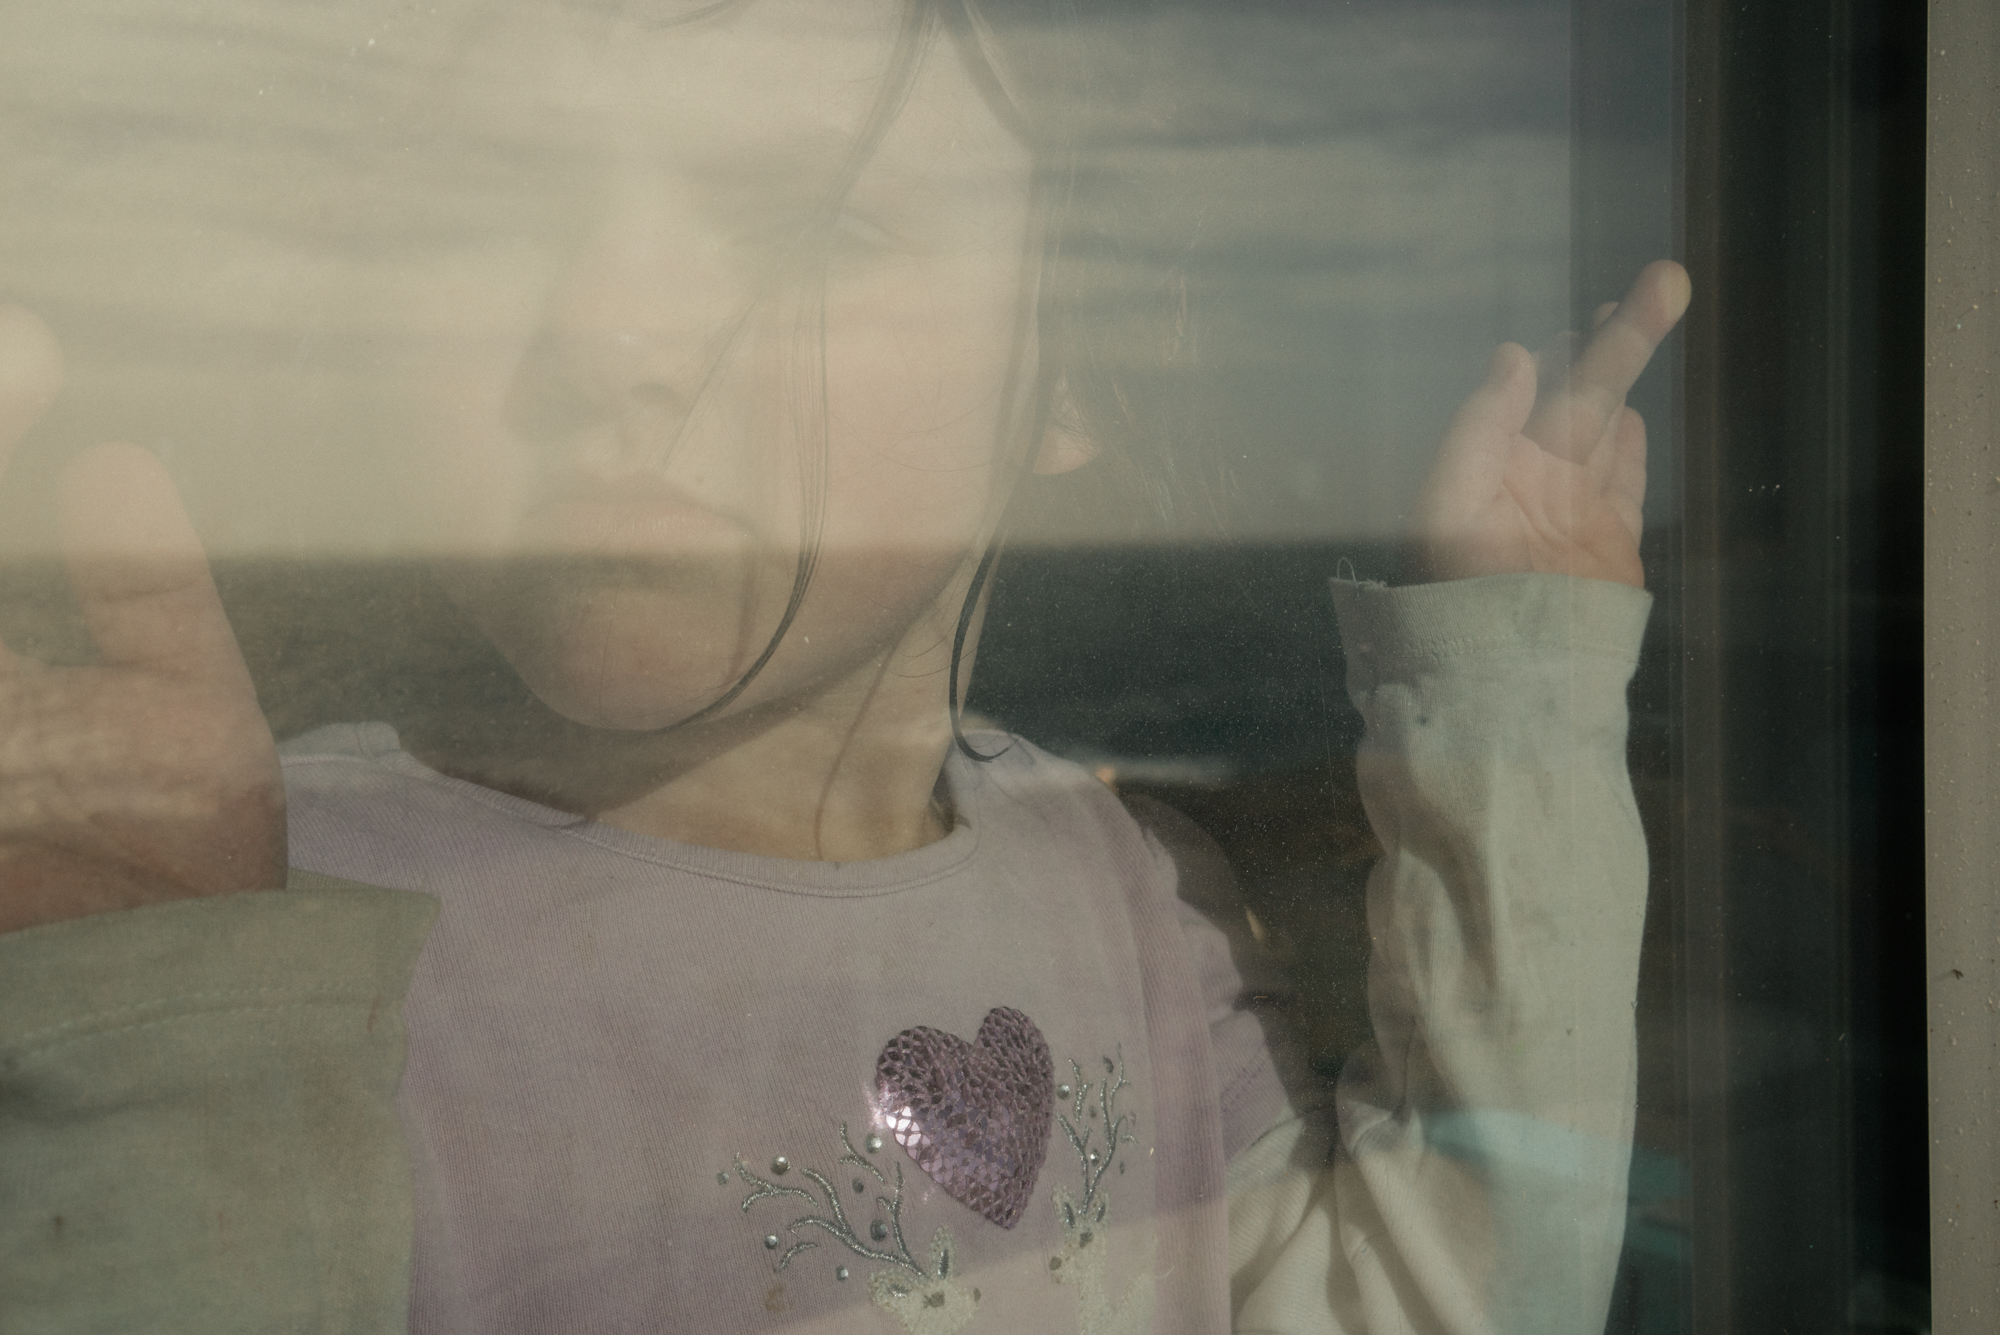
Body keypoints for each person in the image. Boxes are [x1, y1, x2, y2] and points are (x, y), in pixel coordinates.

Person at [0, 2, 1689, 1332]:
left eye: (812, 225)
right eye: (485, 204)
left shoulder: (1124, 890)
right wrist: (146, 1055)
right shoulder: (237, 922)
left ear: (1074, 372)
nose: (610, 329)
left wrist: (1522, 707)